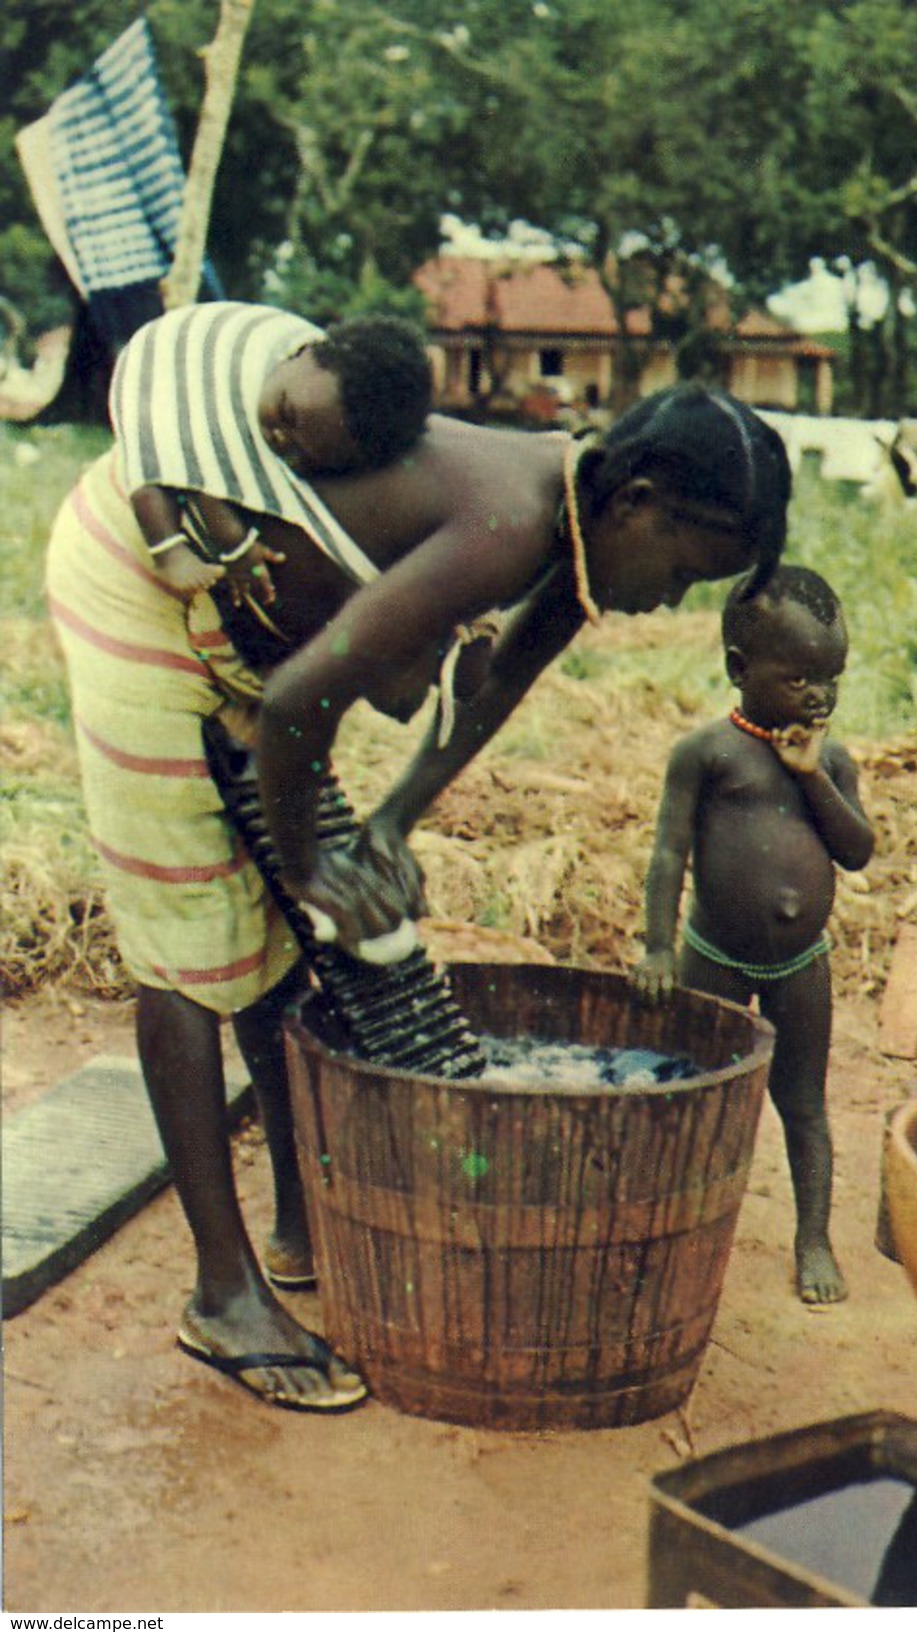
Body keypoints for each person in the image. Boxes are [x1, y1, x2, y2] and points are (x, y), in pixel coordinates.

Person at [48, 374, 792, 1410]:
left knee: (275, 936)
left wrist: (393, 821)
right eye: (680, 571)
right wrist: (313, 865)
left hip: (245, 617)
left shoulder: (573, 527)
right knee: (187, 938)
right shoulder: (505, 521)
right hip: (142, 579)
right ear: (636, 507)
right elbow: (308, 696)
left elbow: (492, 689)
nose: (668, 600)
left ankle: (300, 1225)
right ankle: (223, 1294)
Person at [632, 564, 874, 1305]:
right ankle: (670, 1234)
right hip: (713, 958)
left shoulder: (828, 761)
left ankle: (812, 1241)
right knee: (693, 1097)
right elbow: (669, 853)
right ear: (739, 669)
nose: (819, 694)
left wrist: (810, 777)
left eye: (830, 677)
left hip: (800, 964)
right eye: (799, 677)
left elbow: (856, 850)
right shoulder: (706, 756)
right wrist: (656, 945)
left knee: (803, 1104)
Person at [112, 303, 433, 603]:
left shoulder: (317, 388)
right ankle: (168, 552)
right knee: (157, 474)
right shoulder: (265, 365)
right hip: (162, 364)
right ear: (303, 354)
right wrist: (236, 546)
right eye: (286, 411)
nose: (279, 437)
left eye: (299, 451)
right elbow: (205, 477)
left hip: (210, 373)